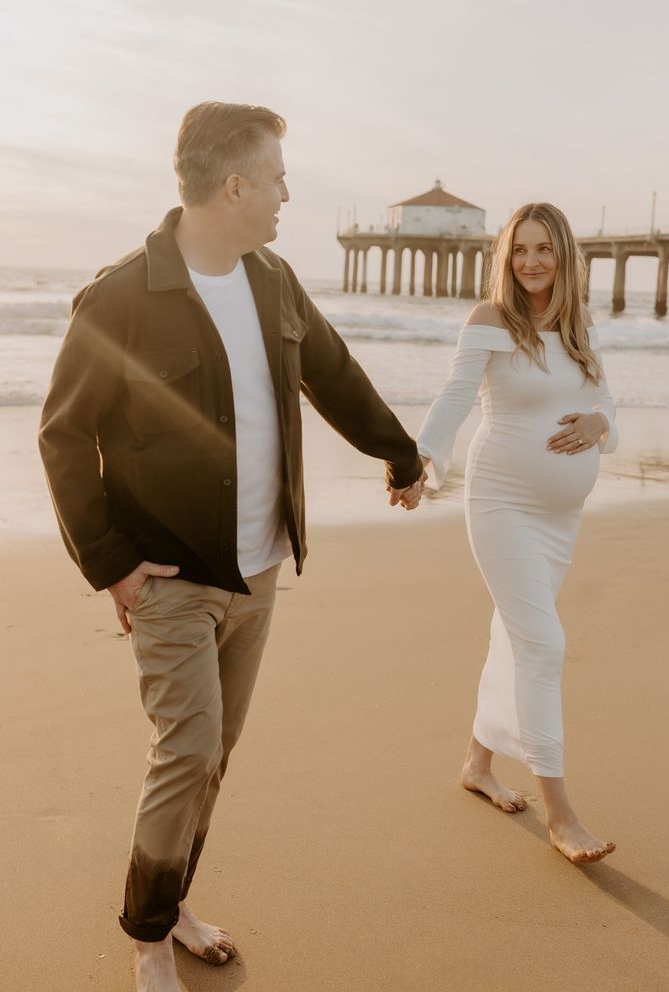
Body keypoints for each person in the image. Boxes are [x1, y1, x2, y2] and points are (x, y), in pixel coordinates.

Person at [38, 101, 425, 992]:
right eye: (278, 177)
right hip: (169, 574)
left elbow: (331, 372)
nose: (288, 193)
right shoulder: (122, 295)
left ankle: (174, 904)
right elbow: (64, 434)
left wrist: (399, 451)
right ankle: (146, 938)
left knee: (217, 751)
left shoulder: (274, 280)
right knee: (189, 746)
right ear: (235, 183)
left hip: (258, 569)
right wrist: (112, 561)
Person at [417, 202, 618, 864]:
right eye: (520, 250)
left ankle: (477, 763)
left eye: (544, 249)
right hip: (502, 502)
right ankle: (560, 813)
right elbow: (453, 399)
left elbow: (607, 405)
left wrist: (600, 426)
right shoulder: (489, 320)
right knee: (543, 641)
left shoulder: (577, 329)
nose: (531, 261)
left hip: (560, 518)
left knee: (516, 630)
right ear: (506, 257)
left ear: (563, 256)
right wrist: (422, 462)